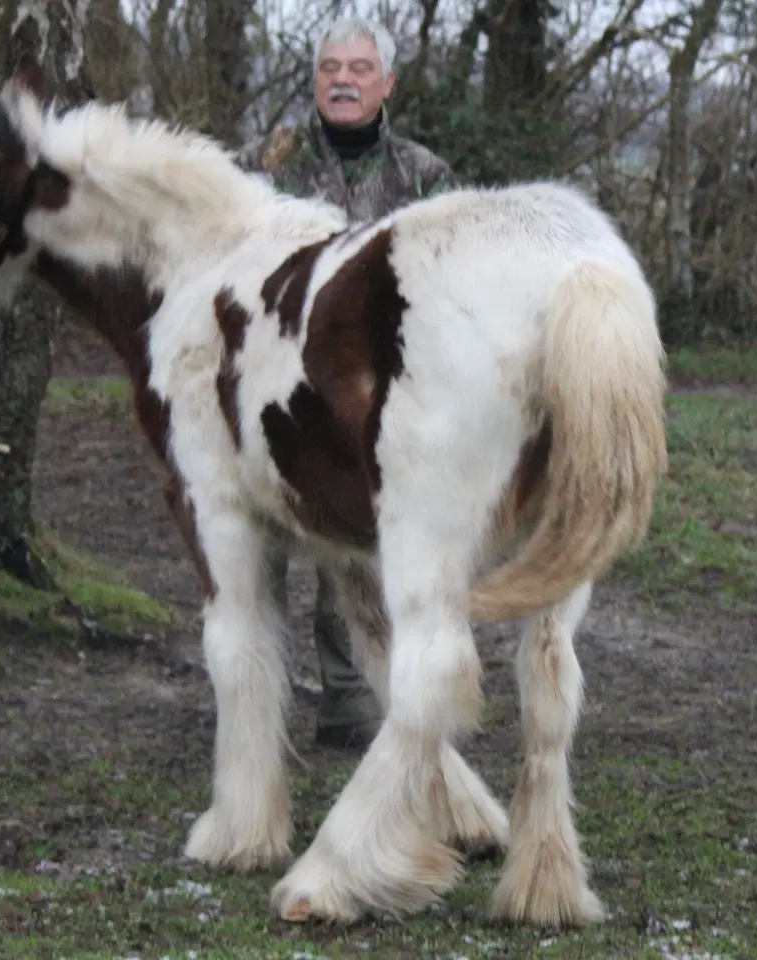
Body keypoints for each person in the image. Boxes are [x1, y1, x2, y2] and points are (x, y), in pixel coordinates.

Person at [234, 14, 460, 750]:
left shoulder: (426, 179)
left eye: (360, 69)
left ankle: (349, 701)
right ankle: (251, 704)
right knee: (252, 553)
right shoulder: (268, 163)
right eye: (331, 66)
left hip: (374, 406)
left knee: (359, 551)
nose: (343, 79)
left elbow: (452, 289)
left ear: (387, 83)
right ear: (313, 78)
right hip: (270, 399)